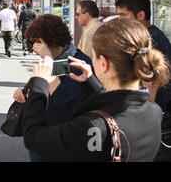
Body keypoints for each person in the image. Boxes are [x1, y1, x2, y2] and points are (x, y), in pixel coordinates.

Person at [15, 18, 169, 161]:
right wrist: (90, 83)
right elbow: (113, 104)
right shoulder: (153, 111)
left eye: (93, 55)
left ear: (103, 63)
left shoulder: (92, 126)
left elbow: (34, 137)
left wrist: (39, 86)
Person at [21, 14, 92, 161]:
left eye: (38, 42)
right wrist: (25, 93)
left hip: (63, 141)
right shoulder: (56, 59)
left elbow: (61, 98)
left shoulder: (78, 62)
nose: (35, 48)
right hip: (47, 134)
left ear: (51, 39)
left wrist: (47, 59)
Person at [115, 0, 171, 161]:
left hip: (158, 114)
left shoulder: (151, 40)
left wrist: (143, 119)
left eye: (123, 15)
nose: (120, 21)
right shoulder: (150, 35)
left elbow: (150, 83)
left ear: (140, 15)